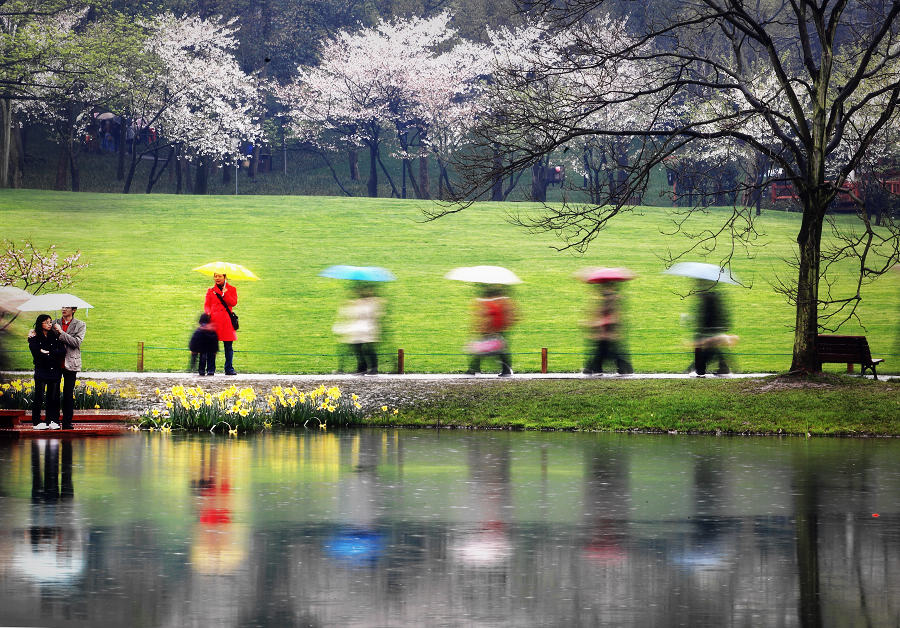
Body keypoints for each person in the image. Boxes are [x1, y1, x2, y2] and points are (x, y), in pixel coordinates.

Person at [332, 283, 384, 374]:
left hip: (369, 329)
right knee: (357, 347)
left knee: (369, 348)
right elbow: (355, 314)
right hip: (359, 329)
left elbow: (374, 315)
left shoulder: (374, 302)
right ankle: (362, 367)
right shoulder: (360, 302)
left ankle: (373, 368)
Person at [583, 283, 633, 376]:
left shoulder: (612, 304)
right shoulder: (607, 304)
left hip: (608, 335)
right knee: (606, 353)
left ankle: (592, 369)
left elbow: (614, 318)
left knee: (606, 354)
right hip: (605, 335)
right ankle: (624, 369)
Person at [467, 285, 516, 377]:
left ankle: (473, 369)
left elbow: (488, 316)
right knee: (495, 349)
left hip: (491, 330)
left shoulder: (493, 303)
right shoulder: (500, 302)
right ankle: (506, 369)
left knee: (483, 349)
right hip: (496, 330)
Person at [28, 314, 66, 430]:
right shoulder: (35, 337)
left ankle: (52, 420)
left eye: (50, 322)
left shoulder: (54, 336)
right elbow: (36, 353)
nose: (50, 324)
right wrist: (43, 352)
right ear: (41, 323)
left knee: (53, 397)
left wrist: (48, 352)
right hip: (41, 370)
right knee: (39, 396)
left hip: (54, 370)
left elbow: (62, 351)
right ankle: (37, 421)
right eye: (47, 322)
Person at [54, 306, 86, 430]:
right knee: (53, 393)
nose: (63, 309)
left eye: (67, 307)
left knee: (68, 394)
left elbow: (76, 343)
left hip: (71, 363)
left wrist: (61, 333)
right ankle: (54, 421)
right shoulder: (54, 323)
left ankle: (67, 422)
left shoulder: (80, 325)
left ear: (74, 310)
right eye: (62, 307)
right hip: (55, 362)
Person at [693, 280, 733, 376]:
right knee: (713, 348)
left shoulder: (709, 298)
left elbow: (709, 315)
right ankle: (722, 367)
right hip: (712, 328)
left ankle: (700, 369)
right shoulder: (712, 296)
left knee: (707, 348)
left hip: (710, 329)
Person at [204, 272, 238, 375]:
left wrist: (226, 293)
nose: (217, 278)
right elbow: (207, 305)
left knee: (228, 346)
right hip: (214, 321)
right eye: (215, 276)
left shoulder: (232, 289)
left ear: (225, 277)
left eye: (219, 276)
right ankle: (210, 369)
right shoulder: (211, 291)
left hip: (226, 322)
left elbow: (233, 303)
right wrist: (208, 313)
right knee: (211, 346)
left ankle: (229, 369)